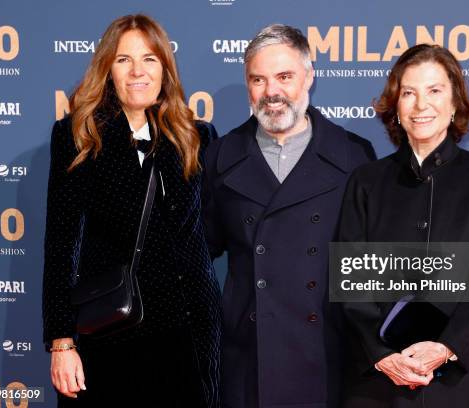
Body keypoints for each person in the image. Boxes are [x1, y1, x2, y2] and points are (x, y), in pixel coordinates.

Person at [42, 14, 221, 407]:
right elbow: (60, 242)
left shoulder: (195, 136)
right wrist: (61, 341)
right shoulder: (79, 134)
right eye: (124, 60)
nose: (138, 71)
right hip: (110, 327)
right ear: (108, 69)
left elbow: (209, 232)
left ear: (165, 69)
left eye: (150, 59)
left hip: (186, 333)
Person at [201, 24, 376, 408]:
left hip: (326, 354)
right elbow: (200, 249)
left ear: (309, 77)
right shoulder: (220, 157)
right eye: (258, 80)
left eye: (284, 76)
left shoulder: (353, 156)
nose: (271, 92)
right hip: (249, 358)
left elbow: (367, 261)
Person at [337, 44, 469, 408]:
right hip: (380, 384)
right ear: (396, 106)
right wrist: (381, 353)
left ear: (454, 104)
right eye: (408, 93)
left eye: (434, 91)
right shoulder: (366, 181)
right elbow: (349, 279)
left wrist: (447, 346)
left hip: (462, 383)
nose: (421, 105)